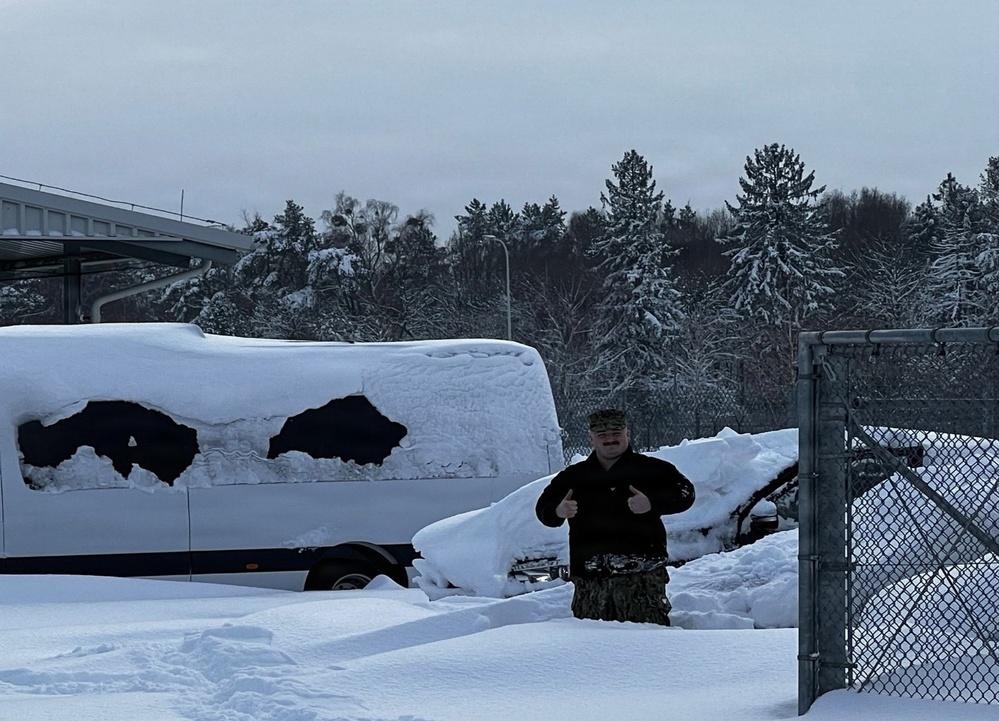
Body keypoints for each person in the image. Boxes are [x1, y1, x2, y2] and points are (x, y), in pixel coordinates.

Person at [535, 408, 695, 625]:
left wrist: (652, 502)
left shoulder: (651, 469)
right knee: (593, 646)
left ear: (627, 434)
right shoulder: (575, 476)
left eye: (616, 433)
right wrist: (558, 511)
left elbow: (686, 493)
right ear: (591, 439)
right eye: (602, 435)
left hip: (641, 579)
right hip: (591, 581)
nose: (610, 439)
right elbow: (543, 508)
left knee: (648, 642)